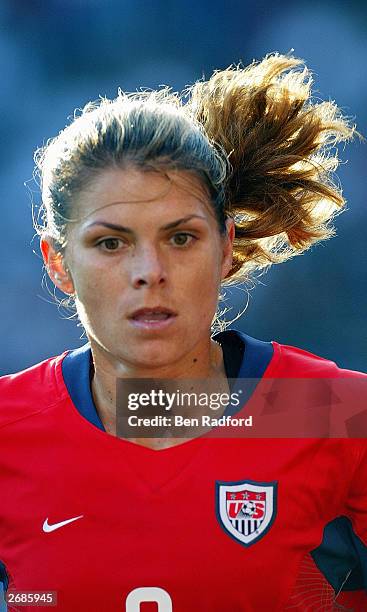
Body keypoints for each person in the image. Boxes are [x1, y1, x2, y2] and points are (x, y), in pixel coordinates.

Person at [0, 53, 366, 611]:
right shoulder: (8, 433)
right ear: (57, 262)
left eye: (180, 238)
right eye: (110, 243)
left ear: (225, 246)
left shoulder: (333, 414)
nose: (150, 271)